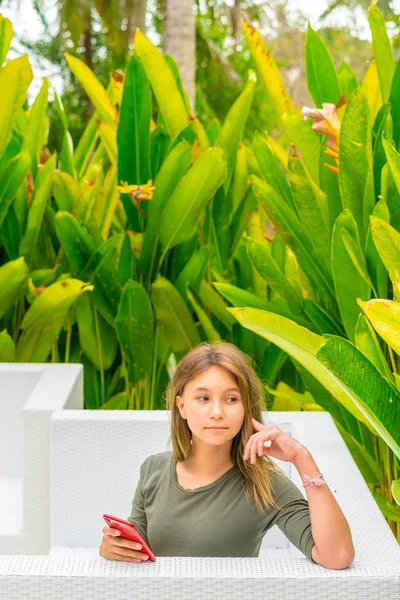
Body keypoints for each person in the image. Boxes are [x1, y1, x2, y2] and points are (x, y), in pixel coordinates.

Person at [100, 341, 355, 569]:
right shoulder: (153, 468)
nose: (217, 412)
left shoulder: (264, 484)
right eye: (203, 398)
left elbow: (337, 556)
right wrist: (114, 547)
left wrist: (302, 458)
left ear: (246, 407)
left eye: (231, 399)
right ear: (182, 406)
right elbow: (139, 545)